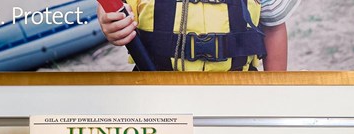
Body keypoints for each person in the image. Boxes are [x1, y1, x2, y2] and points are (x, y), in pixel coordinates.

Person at [98, 0, 301, 71]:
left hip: (237, 91)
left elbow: (273, 28)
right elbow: (110, 8)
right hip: (153, 90)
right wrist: (109, 23)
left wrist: (275, 94)